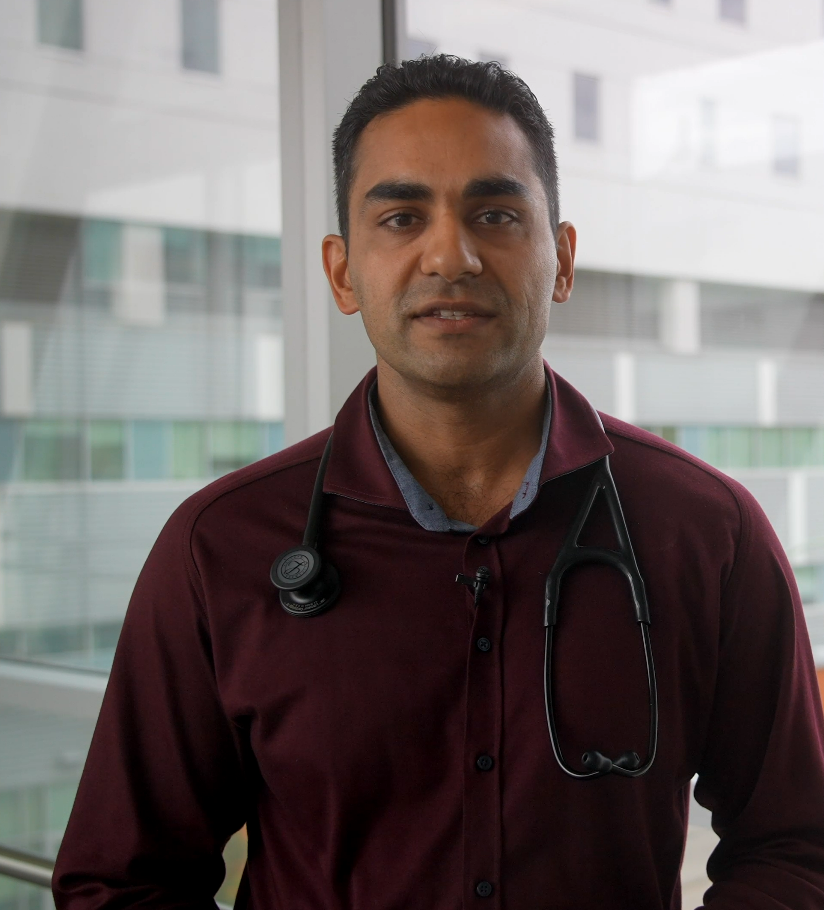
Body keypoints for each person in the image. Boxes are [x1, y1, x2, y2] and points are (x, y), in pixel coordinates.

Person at [53, 56, 824, 910]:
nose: (450, 254)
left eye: (495, 213)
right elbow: (120, 881)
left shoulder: (706, 532)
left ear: (560, 261)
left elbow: (798, 845)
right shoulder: (220, 548)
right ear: (343, 273)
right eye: (401, 216)